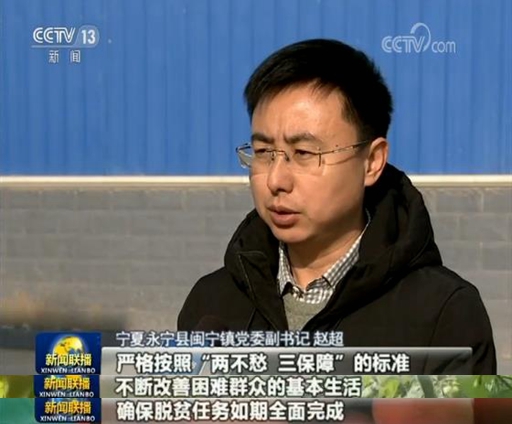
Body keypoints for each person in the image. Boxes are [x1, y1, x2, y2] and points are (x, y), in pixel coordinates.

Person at [178, 39, 496, 374]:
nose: (276, 180)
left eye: (304, 153)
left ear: (372, 162)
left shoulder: (444, 313)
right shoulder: (210, 304)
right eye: (263, 152)